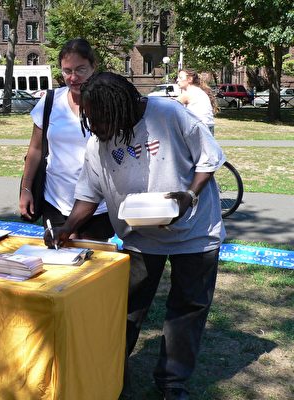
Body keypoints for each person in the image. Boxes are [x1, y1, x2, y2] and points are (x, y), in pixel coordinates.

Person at [46, 72, 226, 400]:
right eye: (89, 118)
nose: (95, 127)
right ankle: (111, 374)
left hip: (195, 231)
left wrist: (189, 195)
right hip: (140, 237)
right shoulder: (98, 143)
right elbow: (88, 195)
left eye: (101, 119)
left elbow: (208, 158)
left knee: (188, 308)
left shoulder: (169, 115)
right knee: (126, 308)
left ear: (124, 108)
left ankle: (172, 383)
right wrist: (67, 228)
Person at [19, 38, 114, 241]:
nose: (73, 77)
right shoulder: (50, 101)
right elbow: (35, 150)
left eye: (80, 69)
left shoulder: (108, 105)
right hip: (55, 202)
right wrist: (26, 189)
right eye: (67, 71)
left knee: (93, 259)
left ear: (93, 67)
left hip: (98, 207)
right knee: (58, 257)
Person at [176, 69, 219, 135]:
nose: (177, 80)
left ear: (190, 79)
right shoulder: (198, 91)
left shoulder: (190, 93)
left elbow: (172, 106)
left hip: (199, 128)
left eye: (180, 78)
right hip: (208, 126)